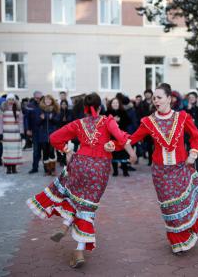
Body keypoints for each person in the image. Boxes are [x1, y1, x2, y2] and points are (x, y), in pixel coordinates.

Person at [107, 83, 198, 254]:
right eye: (154, 98)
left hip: (180, 168)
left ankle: (188, 233)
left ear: (169, 99)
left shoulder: (182, 117)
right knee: (169, 207)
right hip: (160, 172)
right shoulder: (148, 121)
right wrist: (114, 145)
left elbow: (196, 136)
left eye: (159, 97)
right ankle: (178, 240)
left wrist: (193, 153)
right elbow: (132, 139)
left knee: (183, 203)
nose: (156, 101)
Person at [26, 93, 136, 268]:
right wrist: (132, 154)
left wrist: (66, 149)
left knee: (73, 197)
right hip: (99, 169)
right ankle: (78, 250)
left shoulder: (79, 123)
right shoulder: (108, 121)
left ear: (85, 108)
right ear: (100, 107)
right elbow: (122, 138)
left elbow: (54, 138)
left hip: (79, 164)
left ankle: (65, 224)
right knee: (87, 207)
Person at [0, 94, 24, 174]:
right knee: (7, 151)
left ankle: (14, 168)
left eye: (12, 99)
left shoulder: (18, 109)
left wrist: (22, 132)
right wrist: (0, 133)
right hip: (6, 134)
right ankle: (8, 168)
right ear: (7, 100)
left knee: (15, 151)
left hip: (15, 134)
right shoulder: (2, 109)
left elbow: (21, 122)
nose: (11, 101)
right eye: (9, 99)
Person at [106, 97, 132, 176]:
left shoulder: (123, 112)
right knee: (114, 154)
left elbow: (128, 122)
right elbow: (104, 124)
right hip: (112, 137)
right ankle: (115, 171)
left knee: (123, 154)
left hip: (121, 136)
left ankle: (125, 171)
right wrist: (113, 120)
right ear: (111, 104)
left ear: (119, 104)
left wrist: (120, 121)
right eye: (113, 103)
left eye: (116, 103)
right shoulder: (107, 113)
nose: (115, 104)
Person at [184, 91, 198, 173]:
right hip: (189, 135)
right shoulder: (186, 108)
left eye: (192, 98)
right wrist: (188, 110)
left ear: (196, 99)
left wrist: (197, 107)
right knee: (190, 155)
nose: (191, 99)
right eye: (189, 98)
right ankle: (191, 172)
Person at [38, 95, 60, 176]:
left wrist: (52, 118)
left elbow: (58, 121)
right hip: (43, 135)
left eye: (49, 100)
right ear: (44, 101)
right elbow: (37, 123)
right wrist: (41, 119)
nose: (47, 101)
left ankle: (53, 169)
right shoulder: (40, 110)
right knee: (45, 152)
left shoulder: (55, 110)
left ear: (52, 101)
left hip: (52, 134)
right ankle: (47, 170)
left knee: (51, 151)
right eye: (46, 100)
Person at [26, 91, 43, 174]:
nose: (38, 99)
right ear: (34, 97)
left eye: (39, 98)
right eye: (36, 98)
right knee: (36, 150)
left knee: (45, 150)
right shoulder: (30, 105)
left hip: (43, 131)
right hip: (35, 130)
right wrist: (28, 129)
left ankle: (47, 168)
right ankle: (35, 167)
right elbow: (27, 118)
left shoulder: (44, 104)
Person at [56, 99, 73, 166]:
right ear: (60, 105)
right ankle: (60, 159)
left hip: (67, 132)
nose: (64, 105)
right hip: (60, 131)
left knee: (66, 146)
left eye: (65, 104)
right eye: (62, 104)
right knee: (60, 146)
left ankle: (64, 159)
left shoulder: (69, 112)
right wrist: (61, 120)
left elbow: (71, 120)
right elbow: (56, 121)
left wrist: (67, 120)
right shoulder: (59, 112)